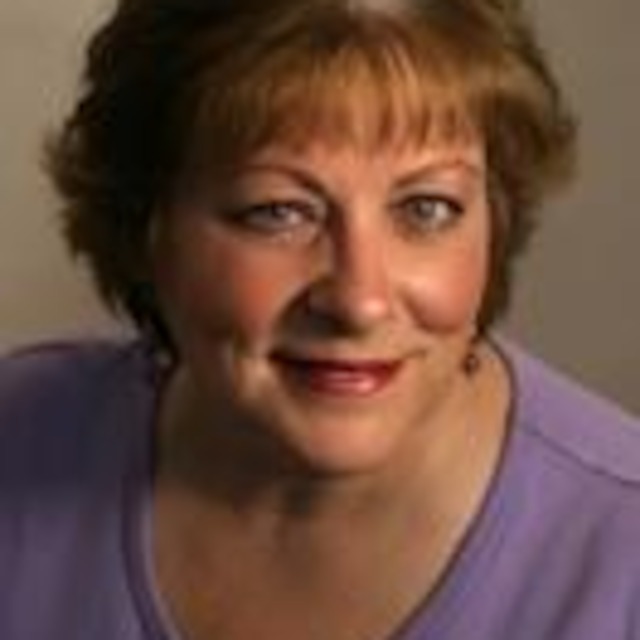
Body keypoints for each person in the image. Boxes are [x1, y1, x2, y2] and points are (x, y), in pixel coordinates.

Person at [1, 0, 639, 638]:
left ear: (495, 224)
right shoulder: (19, 438)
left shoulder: (622, 555)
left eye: (426, 208)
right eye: (278, 212)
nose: (359, 301)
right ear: (148, 229)